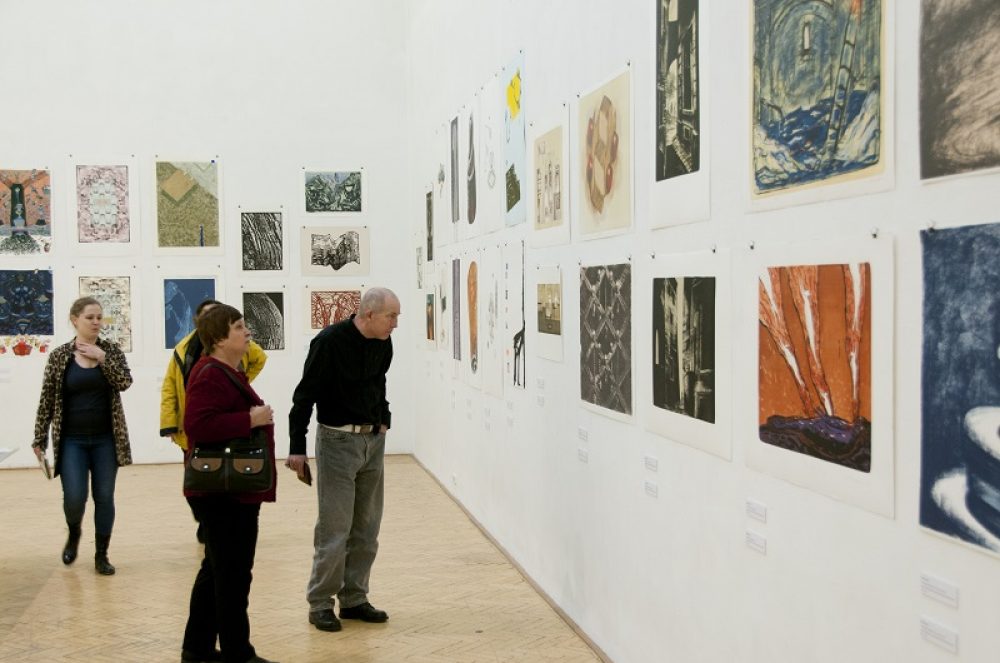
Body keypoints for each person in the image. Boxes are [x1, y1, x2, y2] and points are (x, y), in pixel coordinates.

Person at [286, 287, 400, 632]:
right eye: (391, 316)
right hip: (337, 442)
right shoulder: (329, 342)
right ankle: (320, 602)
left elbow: (378, 384)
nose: (395, 324)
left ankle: (354, 599)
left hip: (372, 442)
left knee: (366, 528)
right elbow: (304, 396)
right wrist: (296, 447)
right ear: (369, 314)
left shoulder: (383, 343)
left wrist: (383, 418)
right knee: (334, 529)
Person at [180, 304, 278, 663]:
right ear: (220, 338)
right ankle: (239, 653)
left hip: (227, 491)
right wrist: (249, 419)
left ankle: (197, 649)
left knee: (216, 571)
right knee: (233, 576)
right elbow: (198, 425)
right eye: (239, 326)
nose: (247, 332)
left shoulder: (224, 371)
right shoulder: (210, 374)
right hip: (224, 493)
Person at [31, 296, 133, 575]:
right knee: (74, 498)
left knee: (104, 497)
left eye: (99, 317)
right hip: (71, 441)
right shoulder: (59, 356)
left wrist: (102, 359)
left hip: (105, 440)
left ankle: (101, 554)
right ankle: (74, 532)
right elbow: (47, 399)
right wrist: (39, 438)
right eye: (90, 317)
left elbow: (124, 382)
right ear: (75, 320)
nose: (96, 322)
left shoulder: (110, 351)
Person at [160, 298, 268, 452]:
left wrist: (239, 383)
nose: (247, 332)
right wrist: (169, 424)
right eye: (207, 316)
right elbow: (170, 387)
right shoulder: (185, 351)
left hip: (231, 434)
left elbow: (259, 359)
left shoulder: (239, 344)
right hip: (203, 435)